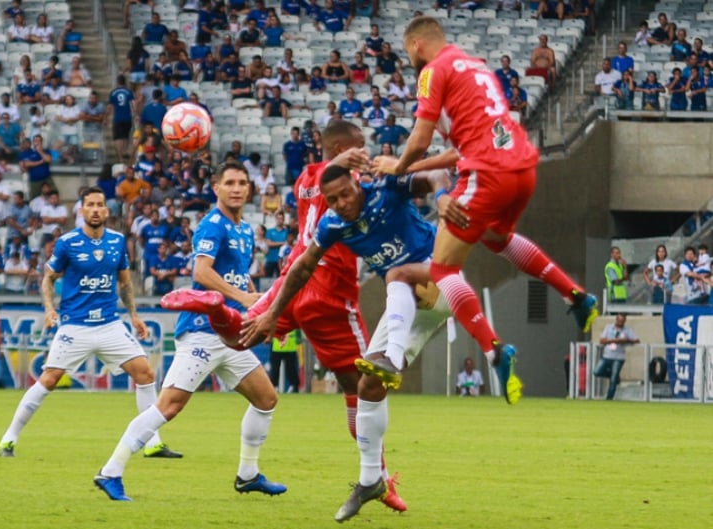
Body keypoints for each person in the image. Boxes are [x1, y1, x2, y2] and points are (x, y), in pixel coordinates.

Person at [159, 123, 409, 514]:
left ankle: (213, 307)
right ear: (345, 149)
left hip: (289, 283)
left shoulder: (306, 180)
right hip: (329, 291)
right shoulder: (346, 187)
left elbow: (321, 180)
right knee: (366, 388)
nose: (365, 157)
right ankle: (375, 477)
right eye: (360, 150)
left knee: (239, 336)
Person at [370, 16, 599, 405]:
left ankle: (495, 350)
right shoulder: (475, 67)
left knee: (443, 270)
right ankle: (574, 295)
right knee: (497, 237)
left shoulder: (431, 71)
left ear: (416, 45)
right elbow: (459, 149)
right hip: (522, 168)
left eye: (409, 51)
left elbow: (421, 138)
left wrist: (400, 165)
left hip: (487, 174)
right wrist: (422, 170)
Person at [238, 160, 453, 522]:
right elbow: (303, 266)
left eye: (345, 194)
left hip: (437, 279)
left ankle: (393, 357)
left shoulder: (387, 189)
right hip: (410, 301)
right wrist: (273, 314)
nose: (341, 203)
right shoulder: (333, 223)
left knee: (397, 280)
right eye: (332, 199)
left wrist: (443, 195)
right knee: (368, 386)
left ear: (357, 183)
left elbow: (436, 176)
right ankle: (371, 480)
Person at [93, 162, 285, 502]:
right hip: (202, 332)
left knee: (266, 399)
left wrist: (255, 311)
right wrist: (242, 297)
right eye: (230, 183)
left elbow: (239, 277)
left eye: (242, 182)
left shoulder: (243, 229)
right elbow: (202, 272)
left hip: (233, 333)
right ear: (217, 188)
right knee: (168, 407)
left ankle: (248, 474)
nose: (237, 188)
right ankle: (110, 471)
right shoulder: (212, 225)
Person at [0, 187, 180, 459]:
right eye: (89, 205)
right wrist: (49, 310)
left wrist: (134, 316)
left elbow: (125, 284)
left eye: (99, 204)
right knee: (50, 379)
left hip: (109, 325)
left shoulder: (117, 241)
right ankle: (8, 439)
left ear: (106, 210)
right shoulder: (67, 242)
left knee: (145, 374)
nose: (95, 209)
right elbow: (48, 278)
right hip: (75, 325)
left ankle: (152, 443)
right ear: (81, 211)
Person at [595, 313, 639, 400]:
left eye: (622, 322)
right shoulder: (608, 327)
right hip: (607, 355)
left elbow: (636, 340)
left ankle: (609, 398)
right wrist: (614, 340)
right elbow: (602, 340)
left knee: (613, 379)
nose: (621, 323)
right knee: (597, 371)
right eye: (619, 321)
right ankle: (614, 376)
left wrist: (626, 340)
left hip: (618, 357)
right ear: (616, 319)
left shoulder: (627, 330)